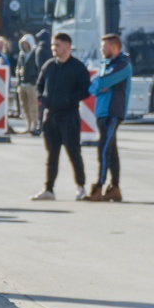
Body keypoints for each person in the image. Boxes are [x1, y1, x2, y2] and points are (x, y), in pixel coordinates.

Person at [31, 32, 90, 201]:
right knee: (52, 154)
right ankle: (48, 189)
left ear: (67, 46)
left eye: (57, 45)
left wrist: (69, 99)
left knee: (73, 152)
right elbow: (39, 84)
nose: (53, 48)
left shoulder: (78, 67)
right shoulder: (49, 65)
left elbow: (85, 90)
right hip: (50, 115)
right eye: (52, 45)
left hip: (69, 115)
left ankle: (81, 187)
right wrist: (41, 97)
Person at [85, 33, 132, 202]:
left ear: (113, 46)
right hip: (103, 112)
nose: (101, 49)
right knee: (112, 151)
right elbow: (93, 87)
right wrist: (98, 86)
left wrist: (99, 86)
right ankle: (115, 188)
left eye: (104, 46)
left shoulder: (122, 65)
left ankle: (99, 186)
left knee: (104, 149)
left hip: (112, 112)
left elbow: (102, 83)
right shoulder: (108, 65)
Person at [15, 34, 41, 135]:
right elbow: (18, 67)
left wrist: (35, 80)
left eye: (26, 44)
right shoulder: (21, 55)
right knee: (24, 105)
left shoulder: (35, 53)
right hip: (22, 83)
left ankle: (34, 124)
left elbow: (38, 68)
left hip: (31, 84)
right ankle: (28, 124)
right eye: (23, 44)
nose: (25, 46)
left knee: (33, 104)